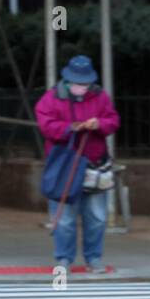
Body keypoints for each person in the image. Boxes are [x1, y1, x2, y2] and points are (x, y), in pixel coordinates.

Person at [34, 55, 119, 273]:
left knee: (98, 217)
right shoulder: (51, 98)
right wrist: (71, 128)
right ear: (68, 79)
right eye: (78, 83)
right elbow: (46, 125)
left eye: (84, 83)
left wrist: (98, 124)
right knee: (64, 219)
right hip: (65, 166)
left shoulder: (100, 97)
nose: (81, 87)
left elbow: (113, 121)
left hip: (95, 164)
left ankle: (94, 258)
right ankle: (64, 257)